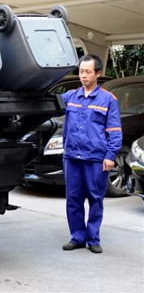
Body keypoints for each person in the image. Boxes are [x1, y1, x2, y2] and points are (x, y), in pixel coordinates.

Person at [61, 54, 122, 254]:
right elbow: (48, 107)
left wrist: (110, 156)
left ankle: (93, 238)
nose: (83, 75)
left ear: (98, 73)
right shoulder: (70, 97)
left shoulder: (108, 99)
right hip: (72, 157)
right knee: (73, 199)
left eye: (88, 71)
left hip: (96, 158)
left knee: (96, 198)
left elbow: (114, 130)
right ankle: (78, 237)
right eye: (81, 71)